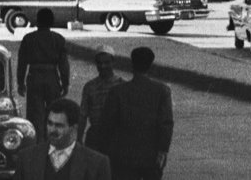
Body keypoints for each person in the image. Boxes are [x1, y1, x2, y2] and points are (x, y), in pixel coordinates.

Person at [99, 47, 173, 180]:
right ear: (151, 65)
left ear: (132, 65)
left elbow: (106, 124)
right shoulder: (162, 91)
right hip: (151, 154)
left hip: (122, 155)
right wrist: (163, 150)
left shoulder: (117, 92)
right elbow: (166, 124)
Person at [19, 98, 112, 180]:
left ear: (74, 128)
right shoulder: (27, 158)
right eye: (50, 123)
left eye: (59, 126)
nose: (52, 130)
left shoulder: (97, 164)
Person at [16, 15, 71, 135]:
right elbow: (63, 64)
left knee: (35, 114)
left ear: (37, 22)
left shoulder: (29, 39)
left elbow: (22, 62)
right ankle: (51, 139)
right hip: (52, 76)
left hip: (35, 76)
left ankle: (38, 141)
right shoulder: (58, 39)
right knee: (53, 113)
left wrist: (21, 82)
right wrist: (65, 83)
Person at [79, 52, 119, 150]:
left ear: (113, 62)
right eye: (99, 63)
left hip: (116, 134)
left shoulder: (122, 84)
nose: (102, 66)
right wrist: (79, 138)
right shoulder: (90, 86)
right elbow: (83, 114)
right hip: (96, 134)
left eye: (106, 62)